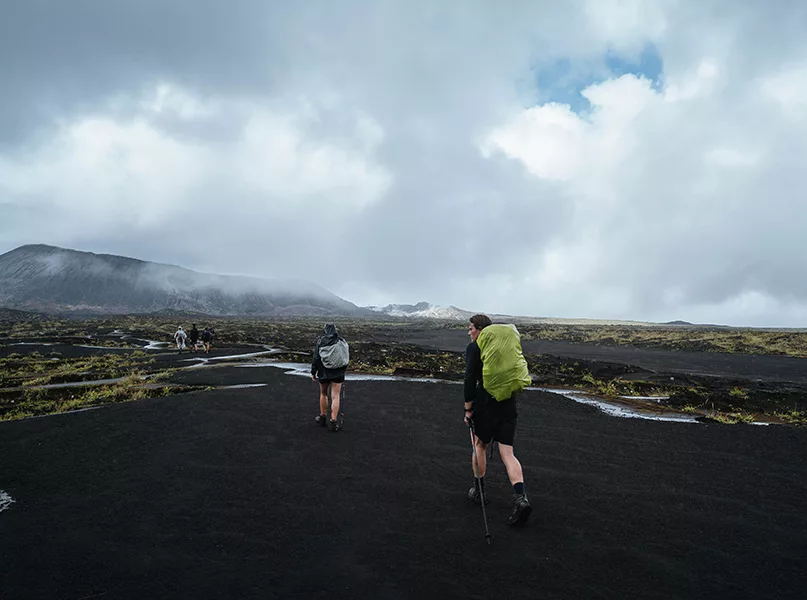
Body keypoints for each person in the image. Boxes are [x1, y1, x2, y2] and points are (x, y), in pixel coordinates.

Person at [464, 314, 532, 526]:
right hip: (508, 402)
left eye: (471, 328)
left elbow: (469, 378)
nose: (469, 332)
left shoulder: (475, 348)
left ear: (480, 329)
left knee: (480, 444)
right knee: (508, 452)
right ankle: (521, 498)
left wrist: (468, 409)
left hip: (486, 404)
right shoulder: (504, 346)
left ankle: (479, 491)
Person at [311, 323, 349, 432]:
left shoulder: (321, 341)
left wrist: (313, 372)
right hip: (338, 372)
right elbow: (345, 356)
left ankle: (323, 417)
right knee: (335, 396)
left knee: (323, 393)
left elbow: (316, 358)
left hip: (324, 371)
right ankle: (333, 421)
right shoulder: (341, 341)